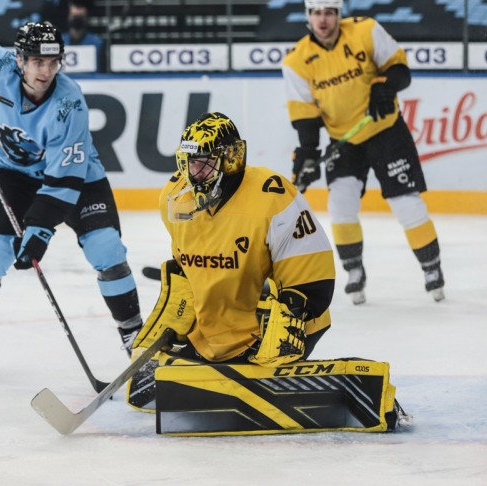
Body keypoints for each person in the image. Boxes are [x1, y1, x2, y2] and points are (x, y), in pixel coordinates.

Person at [0, 21, 142, 377]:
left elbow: (63, 178)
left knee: (107, 250)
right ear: (19, 60)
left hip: (78, 177)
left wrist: (39, 231)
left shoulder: (69, 103)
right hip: (15, 173)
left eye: (52, 62)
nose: (45, 71)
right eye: (36, 61)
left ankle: (134, 335)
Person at [127, 112, 336, 410]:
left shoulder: (272, 195)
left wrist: (293, 315)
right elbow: (188, 265)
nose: (193, 173)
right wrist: (177, 310)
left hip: (275, 326)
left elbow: (312, 271)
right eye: (188, 163)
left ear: (231, 159)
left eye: (204, 162)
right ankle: (218, 350)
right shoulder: (174, 197)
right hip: (217, 332)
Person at [281, 0, 445, 305]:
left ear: (339, 14)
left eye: (329, 12)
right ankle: (354, 271)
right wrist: (308, 153)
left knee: (405, 202)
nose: (323, 19)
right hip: (344, 140)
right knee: (340, 204)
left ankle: (432, 267)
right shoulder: (296, 61)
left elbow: (399, 69)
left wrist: (385, 86)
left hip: (386, 131)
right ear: (308, 16)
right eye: (316, 13)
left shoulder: (366, 30)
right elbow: (305, 115)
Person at [62, 0, 105, 73]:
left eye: (80, 17)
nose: (77, 20)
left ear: (87, 19)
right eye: (74, 17)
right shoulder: (59, 41)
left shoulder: (97, 43)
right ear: (68, 18)